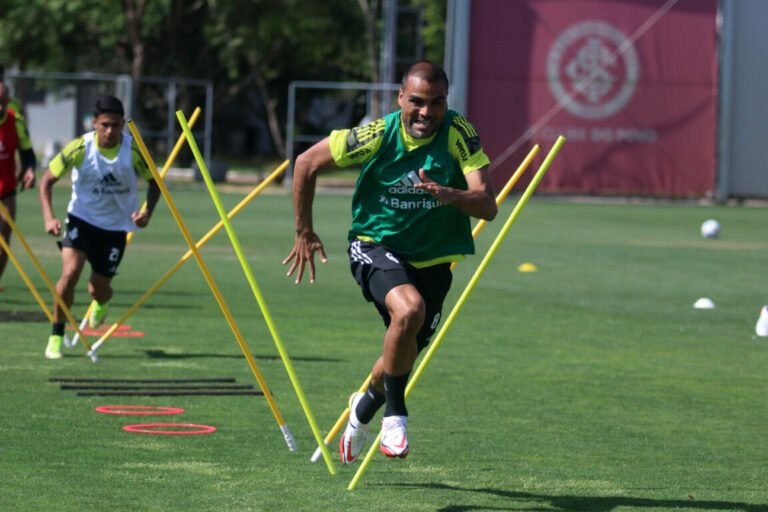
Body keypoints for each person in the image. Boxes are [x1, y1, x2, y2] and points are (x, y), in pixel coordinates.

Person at [283, 61, 497, 463]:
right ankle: (395, 417)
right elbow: (306, 163)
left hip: (434, 261)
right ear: (400, 98)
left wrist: (451, 196)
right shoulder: (378, 133)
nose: (425, 112)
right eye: (416, 101)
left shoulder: (458, 133)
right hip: (375, 245)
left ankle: (360, 410)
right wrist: (303, 230)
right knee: (409, 309)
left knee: (402, 349)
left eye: (436, 103)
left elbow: (487, 205)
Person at [39, 96, 160, 359]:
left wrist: (146, 212)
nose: (109, 131)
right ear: (94, 123)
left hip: (115, 228)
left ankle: (100, 303)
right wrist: (49, 217)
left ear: (122, 126)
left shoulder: (134, 150)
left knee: (98, 289)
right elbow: (46, 180)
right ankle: (57, 335)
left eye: (115, 125)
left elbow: (155, 182)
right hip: (81, 219)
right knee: (69, 274)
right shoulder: (79, 147)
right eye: (104, 125)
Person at [0, 82, 36, 290]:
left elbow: (28, 154)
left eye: (3, 102)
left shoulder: (16, 122)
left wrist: (29, 170)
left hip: (6, 191)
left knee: (4, 240)